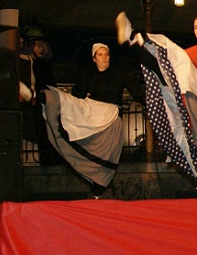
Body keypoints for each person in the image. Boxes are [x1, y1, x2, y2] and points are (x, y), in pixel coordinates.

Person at [115, 12, 197, 199]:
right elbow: (172, 65)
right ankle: (137, 39)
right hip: (191, 93)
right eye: (195, 27)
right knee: (165, 67)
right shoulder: (189, 53)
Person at [39, 43, 144, 199]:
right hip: (93, 115)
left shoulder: (118, 73)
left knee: (107, 157)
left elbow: (137, 92)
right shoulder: (89, 75)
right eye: (100, 55)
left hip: (111, 118)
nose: (104, 58)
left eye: (106, 54)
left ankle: (98, 191)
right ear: (94, 58)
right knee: (63, 101)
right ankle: (40, 96)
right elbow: (77, 95)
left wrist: (154, 102)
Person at [18, 23, 60, 166]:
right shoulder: (25, 63)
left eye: (43, 45)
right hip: (33, 105)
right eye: (38, 45)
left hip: (46, 104)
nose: (41, 49)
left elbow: (52, 85)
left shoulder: (45, 65)